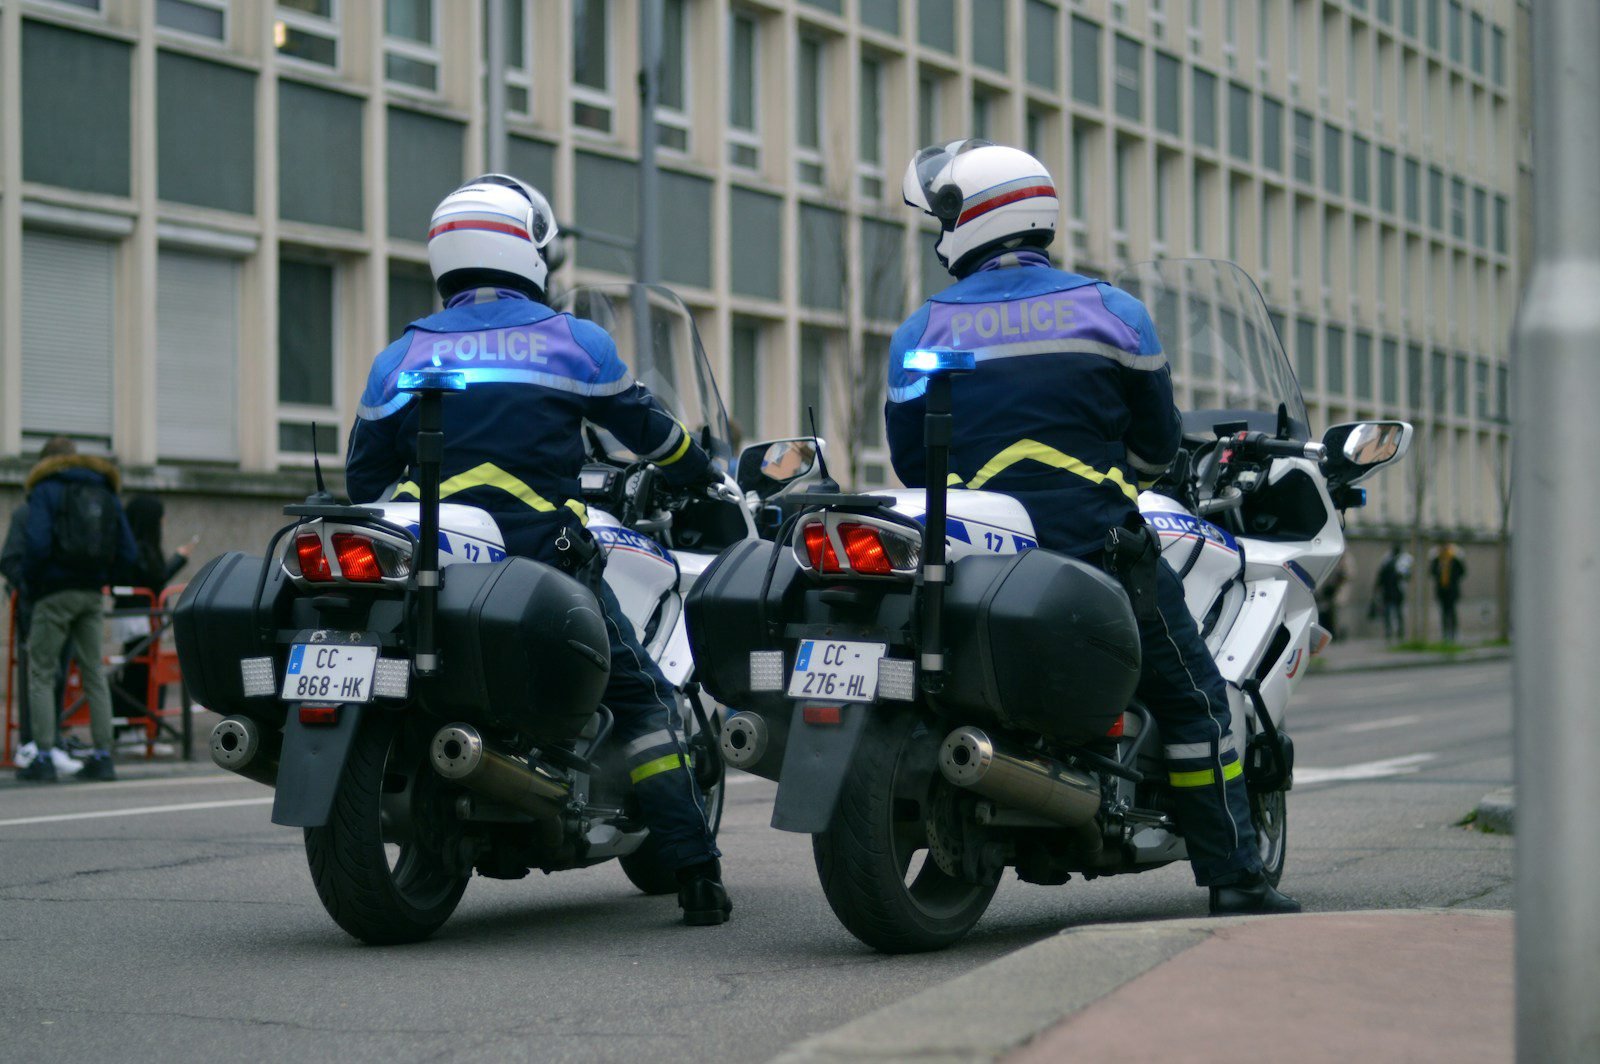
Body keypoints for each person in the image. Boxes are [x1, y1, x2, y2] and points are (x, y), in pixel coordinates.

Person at [887, 140, 1298, 915]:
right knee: (1198, 701)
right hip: (1097, 554)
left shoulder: (923, 329)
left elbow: (914, 464)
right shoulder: (1114, 313)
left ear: (970, 219)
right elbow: (1154, 448)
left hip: (975, 564)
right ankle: (1236, 879)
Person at [346, 174, 732, 926]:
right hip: (545, 561)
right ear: (528, 251)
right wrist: (699, 472)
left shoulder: (401, 356)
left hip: (431, 569)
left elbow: (365, 476)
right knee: (646, 701)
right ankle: (694, 869)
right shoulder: (571, 341)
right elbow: (650, 432)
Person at [17, 436, 138, 782]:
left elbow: (37, 543)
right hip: (91, 592)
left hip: (54, 592)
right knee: (93, 672)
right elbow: (127, 550)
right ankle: (103, 755)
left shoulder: (46, 488)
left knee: (41, 669)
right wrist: (106, 580)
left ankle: (43, 756)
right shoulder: (104, 488)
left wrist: (34, 584)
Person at [109, 494, 193, 723]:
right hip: (141, 617)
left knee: (141, 670)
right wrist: (179, 558)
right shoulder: (140, 548)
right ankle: (138, 726)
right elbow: (156, 578)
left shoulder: (129, 545)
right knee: (141, 673)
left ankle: (142, 727)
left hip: (137, 616)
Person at [1373, 542, 1412, 641]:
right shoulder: (1387, 560)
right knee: (1389, 612)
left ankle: (1398, 631)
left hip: (1396, 590)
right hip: (1389, 590)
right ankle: (1391, 631)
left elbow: (1406, 576)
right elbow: (1381, 575)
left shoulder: (1403, 561)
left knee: (1397, 612)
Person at [1430, 542, 1466, 644]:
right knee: (1443, 612)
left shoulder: (1454, 560)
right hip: (1442, 591)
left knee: (1452, 611)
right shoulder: (1437, 560)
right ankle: (1445, 632)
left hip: (1452, 591)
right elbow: (1432, 572)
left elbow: (1462, 572)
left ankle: (1454, 632)